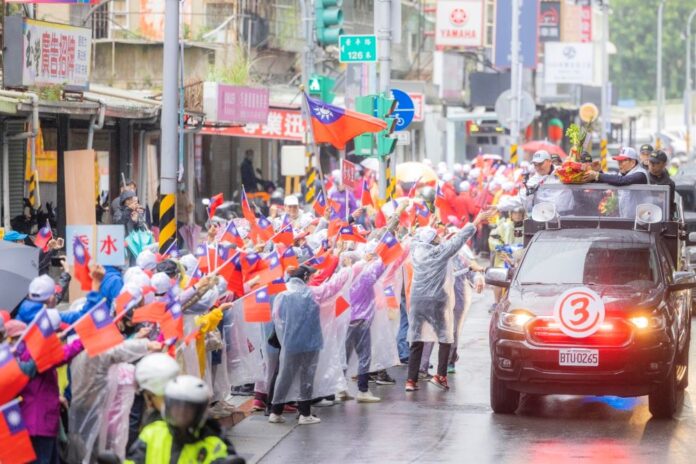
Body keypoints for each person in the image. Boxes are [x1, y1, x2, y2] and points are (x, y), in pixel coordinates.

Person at [405, 207, 496, 392]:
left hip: (416, 301)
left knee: (416, 339)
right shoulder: (441, 252)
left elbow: (416, 238)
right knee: (446, 337)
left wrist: (428, 227)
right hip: (437, 300)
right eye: (437, 237)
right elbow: (459, 239)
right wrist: (476, 220)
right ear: (432, 241)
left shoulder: (415, 251)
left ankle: (410, 380)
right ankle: (441, 376)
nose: (440, 239)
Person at [126, 375, 239, 463]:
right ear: (168, 407)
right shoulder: (152, 433)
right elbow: (134, 460)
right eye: (177, 409)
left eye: (188, 411)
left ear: (200, 412)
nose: (181, 415)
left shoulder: (214, 443)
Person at [582, 147, 648, 186]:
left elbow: (621, 181)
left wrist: (598, 175)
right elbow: (609, 180)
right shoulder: (623, 173)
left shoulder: (641, 174)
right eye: (618, 161)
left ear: (633, 162)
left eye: (622, 161)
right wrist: (599, 171)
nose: (619, 163)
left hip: (641, 210)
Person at [647, 150, 676, 216]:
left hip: (662, 219)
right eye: (650, 162)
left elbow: (670, 207)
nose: (652, 165)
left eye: (656, 162)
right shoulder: (643, 178)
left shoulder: (669, 183)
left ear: (664, 164)